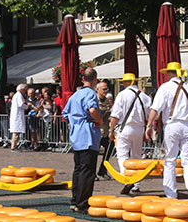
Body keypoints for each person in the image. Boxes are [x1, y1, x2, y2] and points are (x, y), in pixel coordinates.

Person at [146, 62, 188, 200]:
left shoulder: (165, 87)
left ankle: (171, 194)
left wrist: (149, 126)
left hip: (172, 125)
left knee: (170, 161)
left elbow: (155, 109)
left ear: (170, 73)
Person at [63, 68, 102, 212]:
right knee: (87, 170)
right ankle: (82, 203)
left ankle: (75, 199)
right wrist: (98, 120)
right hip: (88, 134)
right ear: (94, 79)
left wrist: (74, 121)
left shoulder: (75, 95)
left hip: (76, 135)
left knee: (78, 169)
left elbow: (65, 113)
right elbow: (92, 110)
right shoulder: (91, 94)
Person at [109, 73, 152, 195]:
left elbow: (115, 115)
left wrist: (111, 130)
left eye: (124, 82)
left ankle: (127, 178)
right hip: (139, 129)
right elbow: (150, 115)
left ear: (128, 82)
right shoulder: (144, 96)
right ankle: (136, 184)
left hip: (125, 128)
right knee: (137, 156)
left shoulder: (122, 95)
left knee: (122, 155)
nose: (123, 84)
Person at [96, 80, 114, 179]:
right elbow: (96, 114)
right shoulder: (95, 100)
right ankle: (92, 173)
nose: (105, 91)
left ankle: (103, 170)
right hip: (97, 131)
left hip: (105, 131)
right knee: (94, 154)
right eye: (104, 89)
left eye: (106, 89)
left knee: (109, 150)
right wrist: (107, 111)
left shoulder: (106, 100)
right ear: (98, 89)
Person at [9, 84, 29, 151]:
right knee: (16, 132)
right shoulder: (19, 95)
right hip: (17, 116)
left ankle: (15, 146)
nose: (25, 91)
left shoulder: (16, 95)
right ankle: (13, 147)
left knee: (16, 132)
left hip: (16, 115)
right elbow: (21, 104)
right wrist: (27, 106)